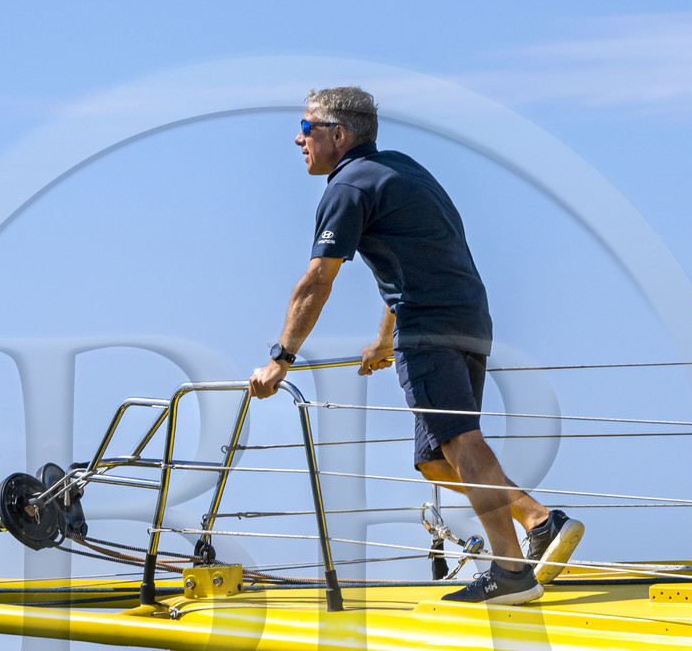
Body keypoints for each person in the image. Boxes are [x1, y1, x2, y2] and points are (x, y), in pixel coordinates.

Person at [248, 86, 585, 605]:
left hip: (429, 328)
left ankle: (511, 569)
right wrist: (383, 341)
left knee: (461, 442)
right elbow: (408, 261)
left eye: (307, 127)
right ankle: (538, 521)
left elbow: (317, 280)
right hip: (467, 317)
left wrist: (280, 358)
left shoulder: (348, 188)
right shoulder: (401, 169)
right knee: (435, 458)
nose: (298, 139)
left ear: (339, 135)